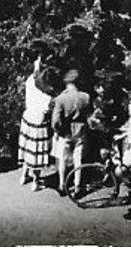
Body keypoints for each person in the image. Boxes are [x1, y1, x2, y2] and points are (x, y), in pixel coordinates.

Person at [50, 68, 93, 198]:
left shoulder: (61, 99)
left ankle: (62, 185)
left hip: (66, 131)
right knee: (78, 159)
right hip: (80, 130)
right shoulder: (85, 97)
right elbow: (89, 115)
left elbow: (55, 120)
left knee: (63, 159)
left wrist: (57, 131)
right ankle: (77, 187)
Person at [18, 58, 54, 189]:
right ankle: (35, 181)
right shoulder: (47, 90)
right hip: (39, 119)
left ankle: (24, 175)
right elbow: (48, 107)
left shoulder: (29, 81)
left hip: (27, 115)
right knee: (37, 151)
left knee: (28, 146)